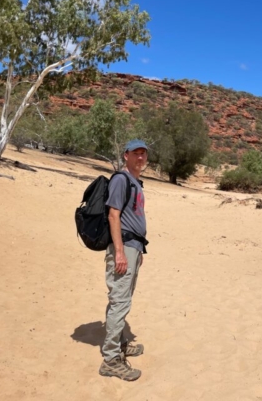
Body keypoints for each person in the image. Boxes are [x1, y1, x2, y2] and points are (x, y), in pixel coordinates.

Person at [99, 139, 150, 381]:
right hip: (124, 247)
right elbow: (113, 215)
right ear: (126, 155)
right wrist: (119, 251)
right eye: (136, 153)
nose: (141, 158)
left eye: (144, 154)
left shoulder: (135, 182)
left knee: (123, 299)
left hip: (133, 248)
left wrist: (136, 251)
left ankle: (119, 344)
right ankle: (110, 360)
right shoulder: (121, 179)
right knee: (120, 301)